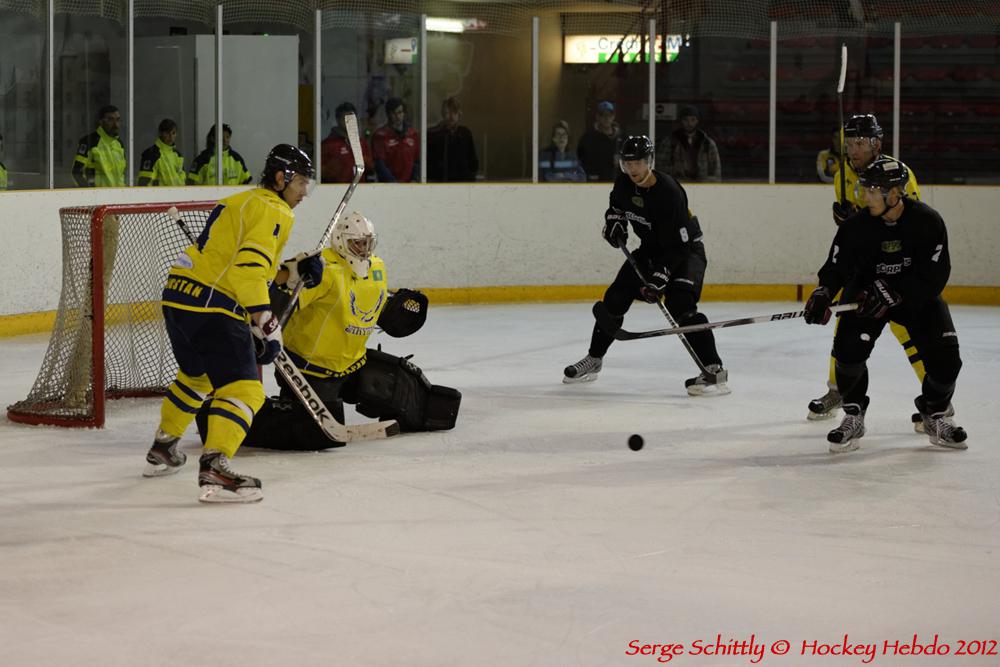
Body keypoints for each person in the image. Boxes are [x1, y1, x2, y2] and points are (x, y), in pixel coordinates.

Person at [142, 144, 321, 503]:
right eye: (301, 182)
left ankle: (164, 447)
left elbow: (243, 262)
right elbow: (248, 270)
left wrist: (292, 272)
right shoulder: (276, 211)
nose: (304, 192)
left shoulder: (241, 201)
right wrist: (265, 319)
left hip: (178, 297)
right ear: (280, 178)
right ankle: (215, 468)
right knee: (245, 390)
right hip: (213, 307)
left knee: (197, 376)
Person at [204, 213, 460, 450]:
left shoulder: (377, 266)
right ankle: (229, 416)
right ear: (340, 241)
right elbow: (279, 302)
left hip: (353, 365)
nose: (364, 250)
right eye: (358, 243)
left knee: (408, 395)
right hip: (308, 371)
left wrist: (395, 308)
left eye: (368, 243)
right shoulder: (322, 270)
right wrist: (268, 312)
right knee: (317, 432)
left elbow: (372, 303)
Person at [803, 157, 967, 453]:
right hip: (866, 298)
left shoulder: (928, 222)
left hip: (915, 298)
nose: (865, 197)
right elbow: (836, 266)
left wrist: (898, 292)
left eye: (872, 191)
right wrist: (823, 292)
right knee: (847, 351)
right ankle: (854, 415)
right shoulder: (856, 227)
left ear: (894, 193)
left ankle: (935, 413)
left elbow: (936, 274)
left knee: (947, 361)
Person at [563, 135, 729, 395]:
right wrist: (615, 224)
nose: (633, 169)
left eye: (638, 163)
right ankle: (594, 360)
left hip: (686, 252)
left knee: (681, 306)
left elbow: (679, 246)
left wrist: (660, 277)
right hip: (651, 249)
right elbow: (616, 207)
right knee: (615, 298)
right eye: (628, 163)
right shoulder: (623, 184)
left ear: (649, 162)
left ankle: (714, 369)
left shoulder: (670, 192)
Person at [807, 113, 927, 428]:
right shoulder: (841, 178)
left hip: (900, 269)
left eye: (860, 143)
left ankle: (936, 401)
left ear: (876, 144)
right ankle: (839, 392)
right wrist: (846, 220)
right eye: (849, 143)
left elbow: (908, 224)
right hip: (864, 269)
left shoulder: (898, 176)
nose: (853, 150)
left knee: (912, 334)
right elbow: (856, 232)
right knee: (843, 332)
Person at [656, 105, 721, 182]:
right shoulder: (670, 142)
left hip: (703, 186)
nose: (689, 123)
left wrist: (713, 186)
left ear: (697, 121)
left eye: (693, 120)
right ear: (681, 121)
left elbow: (716, 170)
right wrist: (675, 169)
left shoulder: (707, 143)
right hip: (677, 184)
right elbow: (659, 167)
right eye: (685, 120)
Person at [72, 105, 126, 187]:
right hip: (98, 197)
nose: (116, 125)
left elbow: (122, 174)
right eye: (110, 120)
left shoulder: (119, 144)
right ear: (101, 122)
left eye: (118, 120)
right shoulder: (89, 142)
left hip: (119, 197)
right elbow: (76, 173)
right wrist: (90, 194)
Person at [426, 96, 478, 182]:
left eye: (454, 112)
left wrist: (470, 178)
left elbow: (473, 161)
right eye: (448, 112)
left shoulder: (465, 133)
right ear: (443, 114)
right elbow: (430, 163)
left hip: (462, 184)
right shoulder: (434, 134)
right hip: (440, 184)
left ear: (459, 114)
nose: (451, 116)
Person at [321, 102, 375, 183]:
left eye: (352, 119)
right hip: (336, 191)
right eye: (346, 119)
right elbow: (320, 173)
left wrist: (365, 162)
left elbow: (370, 167)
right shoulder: (328, 144)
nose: (349, 122)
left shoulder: (361, 143)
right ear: (338, 120)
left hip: (361, 190)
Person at [186, 123, 252, 185]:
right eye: (221, 137)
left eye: (227, 137)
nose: (225, 140)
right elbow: (192, 184)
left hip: (233, 197)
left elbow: (245, 182)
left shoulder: (237, 159)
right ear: (212, 138)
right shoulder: (202, 159)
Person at [372, 97, 419, 183]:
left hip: (410, 186)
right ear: (388, 114)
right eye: (393, 113)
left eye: (400, 112)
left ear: (404, 113)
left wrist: (414, 179)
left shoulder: (412, 134)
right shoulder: (380, 136)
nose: (397, 116)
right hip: (389, 187)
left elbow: (417, 161)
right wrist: (392, 183)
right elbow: (379, 164)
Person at [576, 100, 623, 182]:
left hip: (617, 182)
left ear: (613, 116)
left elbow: (631, 161)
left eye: (609, 115)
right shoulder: (588, 138)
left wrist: (621, 161)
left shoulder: (622, 138)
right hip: (595, 182)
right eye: (602, 115)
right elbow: (581, 160)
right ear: (597, 117)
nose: (606, 118)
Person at [137, 118, 186, 186]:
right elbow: (144, 183)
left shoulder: (178, 155)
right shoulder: (151, 154)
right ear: (160, 133)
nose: (171, 136)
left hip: (178, 195)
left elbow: (183, 180)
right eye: (167, 133)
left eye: (173, 133)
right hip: (159, 196)